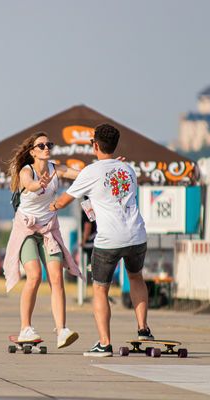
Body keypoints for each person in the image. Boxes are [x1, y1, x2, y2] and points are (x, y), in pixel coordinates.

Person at [49, 123, 153, 357]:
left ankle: (104, 343)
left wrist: (50, 206)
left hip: (109, 239)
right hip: (137, 234)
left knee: (100, 289)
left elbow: (65, 200)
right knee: (136, 277)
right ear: (115, 146)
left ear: (94, 145)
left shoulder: (90, 171)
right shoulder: (128, 169)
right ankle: (143, 329)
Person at [3, 132, 85, 349]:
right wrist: (39, 184)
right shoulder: (25, 171)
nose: (47, 148)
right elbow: (29, 185)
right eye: (41, 146)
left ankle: (62, 330)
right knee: (34, 276)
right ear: (32, 152)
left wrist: (107, 168)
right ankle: (25, 328)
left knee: (57, 277)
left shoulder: (55, 169)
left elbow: (81, 174)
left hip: (49, 229)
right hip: (27, 230)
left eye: (49, 144)